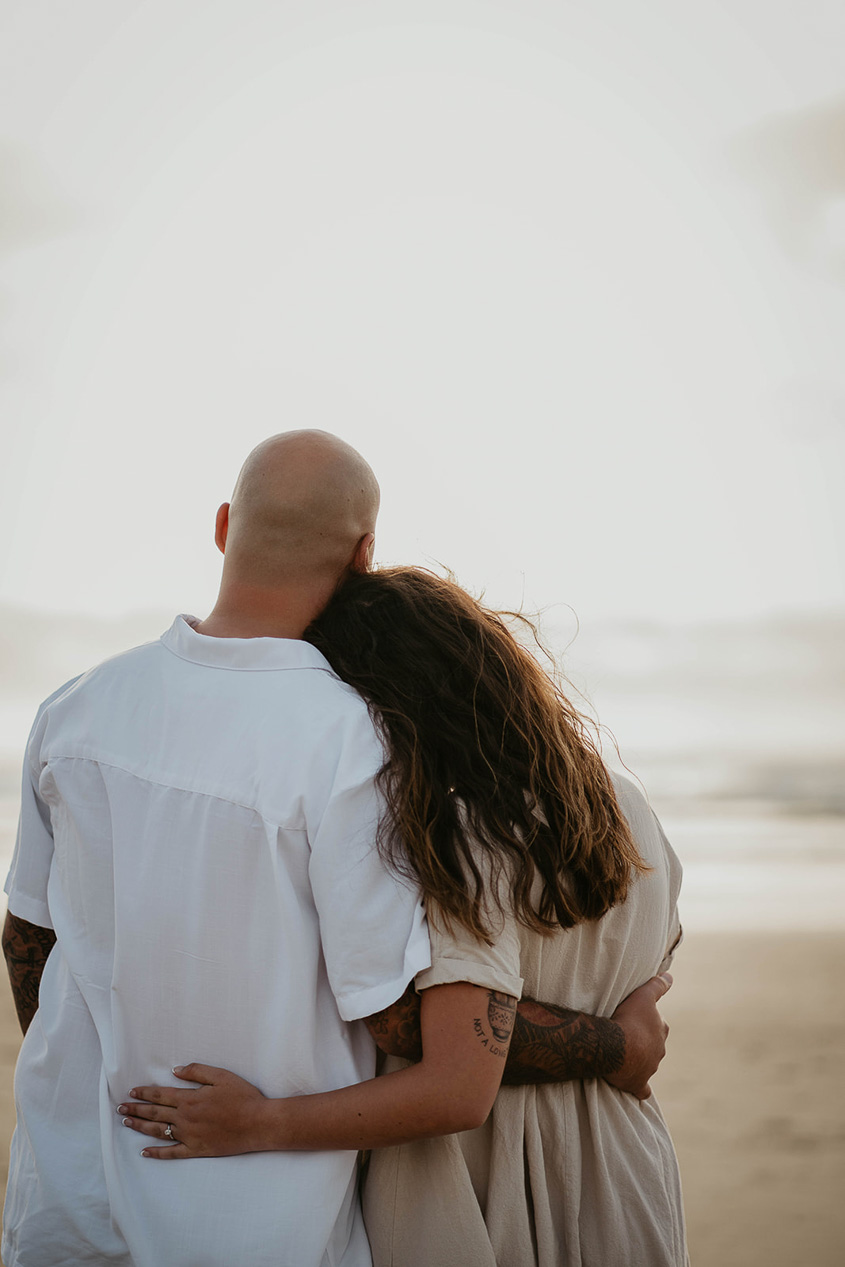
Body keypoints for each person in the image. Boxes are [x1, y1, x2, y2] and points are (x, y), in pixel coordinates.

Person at [2, 432, 670, 1267]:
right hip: (258, 1216)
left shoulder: (75, 708)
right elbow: (405, 1020)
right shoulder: (357, 743)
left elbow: (29, 943)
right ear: (364, 554)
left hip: (69, 1199)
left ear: (221, 526)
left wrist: (94, 1083)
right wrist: (613, 1044)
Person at [120, 566, 686, 1266]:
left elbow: (455, 1086)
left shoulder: (465, 830)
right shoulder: (622, 801)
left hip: (485, 1191)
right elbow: (649, 966)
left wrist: (257, 1121)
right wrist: (619, 1042)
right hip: (625, 1177)